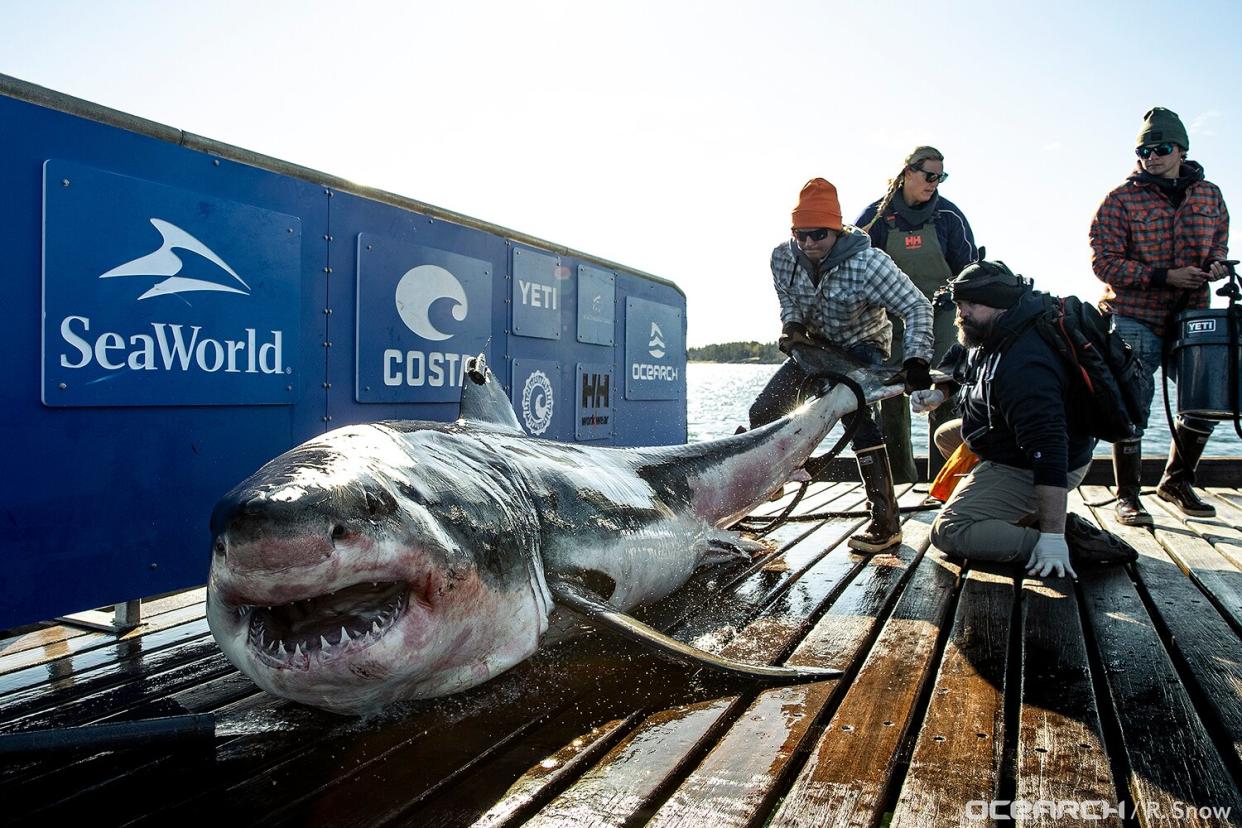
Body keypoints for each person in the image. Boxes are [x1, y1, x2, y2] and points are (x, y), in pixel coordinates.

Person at [750, 177, 934, 553]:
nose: (808, 244)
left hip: (863, 345)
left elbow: (917, 307)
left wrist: (917, 359)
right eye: (800, 234)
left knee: (855, 418)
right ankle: (772, 478)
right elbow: (788, 300)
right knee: (763, 410)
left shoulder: (869, 264)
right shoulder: (782, 257)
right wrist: (792, 324)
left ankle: (885, 523)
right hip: (815, 344)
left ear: (836, 230)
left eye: (818, 234)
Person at [919, 257, 1132, 578]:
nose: (961, 313)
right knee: (947, 436)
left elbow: (1050, 452)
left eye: (971, 305)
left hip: (1039, 462)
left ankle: (1065, 542)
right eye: (959, 303)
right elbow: (959, 366)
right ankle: (1018, 510)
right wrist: (938, 394)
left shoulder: (1024, 365)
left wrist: (1052, 539)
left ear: (999, 305)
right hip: (1007, 440)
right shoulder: (990, 329)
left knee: (949, 530)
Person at [1090, 107, 1231, 526]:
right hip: (1134, 314)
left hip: (1193, 316)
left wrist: (1218, 264)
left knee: (1209, 398)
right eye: (1144, 149)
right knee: (1133, 404)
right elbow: (1105, 265)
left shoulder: (1210, 195)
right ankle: (1128, 496)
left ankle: (1176, 482)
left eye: (1161, 148)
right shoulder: (1118, 200)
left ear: (1182, 149)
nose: (1151, 156)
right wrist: (1164, 276)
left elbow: (1219, 242)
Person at [856, 146, 978, 484]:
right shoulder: (876, 218)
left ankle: (945, 484)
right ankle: (900, 483)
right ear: (907, 172)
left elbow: (968, 272)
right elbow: (854, 268)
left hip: (942, 318)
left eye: (941, 176)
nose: (934, 182)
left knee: (943, 398)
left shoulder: (949, 217)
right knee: (891, 404)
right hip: (889, 320)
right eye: (929, 175)